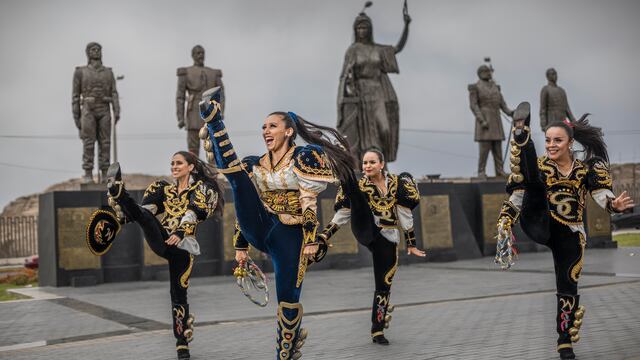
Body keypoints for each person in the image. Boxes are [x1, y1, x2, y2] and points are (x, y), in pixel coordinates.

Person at [199, 87, 359, 359]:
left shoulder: (304, 157)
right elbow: (244, 207)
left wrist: (310, 240)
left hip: (291, 235)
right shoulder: (254, 164)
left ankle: (286, 351)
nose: (265, 131)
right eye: (263, 127)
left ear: (288, 132)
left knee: (287, 299)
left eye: (272, 125)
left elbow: (309, 202)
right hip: (261, 227)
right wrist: (240, 247)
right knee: (238, 181)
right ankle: (215, 120)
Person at [495, 102, 634, 359]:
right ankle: (521, 136)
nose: (551, 145)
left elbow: (602, 195)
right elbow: (518, 197)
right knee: (533, 179)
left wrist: (615, 204)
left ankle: (564, 340)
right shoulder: (541, 165)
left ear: (570, 143)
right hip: (540, 222)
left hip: (570, 234)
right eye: (547, 140)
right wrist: (506, 220)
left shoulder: (586, 169)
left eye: (557, 140)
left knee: (568, 285)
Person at [86, 152, 223, 360]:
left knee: (178, 297)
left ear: (191, 167)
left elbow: (194, 213)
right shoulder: (163, 189)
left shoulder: (202, 189)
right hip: (162, 241)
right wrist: (123, 218)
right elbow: (145, 211)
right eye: (172, 163)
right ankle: (120, 198)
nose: (174, 166)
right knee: (145, 216)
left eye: (179, 163)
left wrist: (180, 232)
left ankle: (182, 346)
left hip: (183, 249)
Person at [318, 148, 426, 345]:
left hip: (388, 238)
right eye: (365, 163)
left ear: (381, 164)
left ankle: (377, 329)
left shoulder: (396, 183)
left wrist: (411, 243)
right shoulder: (360, 185)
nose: (367, 166)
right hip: (366, 228)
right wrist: (324, 235)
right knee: (354, 193)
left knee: (384, 284)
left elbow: (404, 214)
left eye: (372, 162)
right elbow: (343, 213)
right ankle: (343, 170)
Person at [337, 4, 411, 163]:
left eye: (364, 28)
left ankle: (381, 160)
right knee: (365, 133)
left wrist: (406, 26)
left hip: (378, 92)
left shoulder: (378, 49)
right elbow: (344, 76)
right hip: (361, 93)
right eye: (359, 28)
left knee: (384, 129)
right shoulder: (353, 50)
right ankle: (369, 162)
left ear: (370, 29)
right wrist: (346, 93)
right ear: (355, 30)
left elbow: (397, 48)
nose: (361, 31)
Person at [72, 42, 120, 183]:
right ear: (88, 53)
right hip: (88, 109)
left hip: (104, 108)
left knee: (105, 143)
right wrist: (77, 117)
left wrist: (117, 110)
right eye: (93, 49)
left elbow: (114, 93)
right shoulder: (80, 72)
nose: (96, 51)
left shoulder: (108, 72)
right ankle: (88, 173)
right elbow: (75, 97)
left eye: (98, 49)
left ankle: (105, 174)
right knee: (88, 142)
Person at [176, 45, 225, 159]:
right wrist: (180, 118)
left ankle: (214, 174)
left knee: (212, 146)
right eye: (197, 53)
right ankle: (195, 172)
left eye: (202, 53)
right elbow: (180, 96)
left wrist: (220, 111)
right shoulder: (186, 72)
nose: (200, 55)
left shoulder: (213, 73)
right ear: (192, 55)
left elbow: (221, 94)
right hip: (193, 111)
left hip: (211, 111)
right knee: (193, 148)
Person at [468, 64, 514, 178]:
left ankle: (500, 170)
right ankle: (481, 171)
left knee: (497, 148)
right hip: (485, 121)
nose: (489, 73)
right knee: (484, 150)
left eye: (489, 71)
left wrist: (511, 113)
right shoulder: (475, 87)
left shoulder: (495, 87)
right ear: (481, 73)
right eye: (487, 71)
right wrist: (481, 120)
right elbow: (473, 105)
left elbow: (502, 104)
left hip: (496, 120)